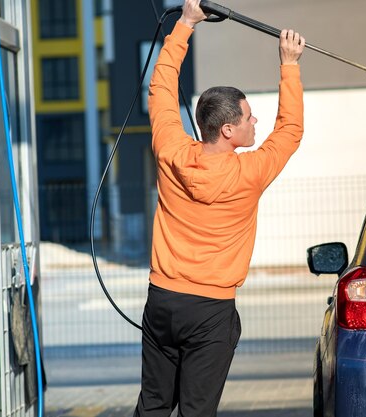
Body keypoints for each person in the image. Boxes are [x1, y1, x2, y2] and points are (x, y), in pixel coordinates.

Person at [134, 0, 305, 415]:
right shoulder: (249, 173)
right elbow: (291, 131)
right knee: (197, 411)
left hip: (163, 302)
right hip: (211, 311)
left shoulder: (171, 150)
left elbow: (159, 88)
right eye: (248, 118)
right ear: (228, 130)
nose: (255, 122)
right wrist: (289, 63)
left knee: (153, 407)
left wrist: (186, 23)